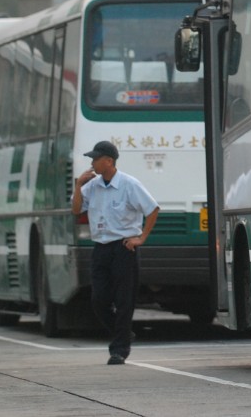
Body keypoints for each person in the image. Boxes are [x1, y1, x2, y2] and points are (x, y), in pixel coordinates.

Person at [72, 140, 160, 365]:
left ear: (108, 161)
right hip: (101, 248)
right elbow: (75, 210)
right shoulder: (92, 185)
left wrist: (141, 238)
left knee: (124, 300)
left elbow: (152, 209)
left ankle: (119, 349)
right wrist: (78, 186)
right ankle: (123, 332)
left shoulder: (129, 184)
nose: (92, 163)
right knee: (98, 300)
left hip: (123, 248)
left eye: (95, 159)